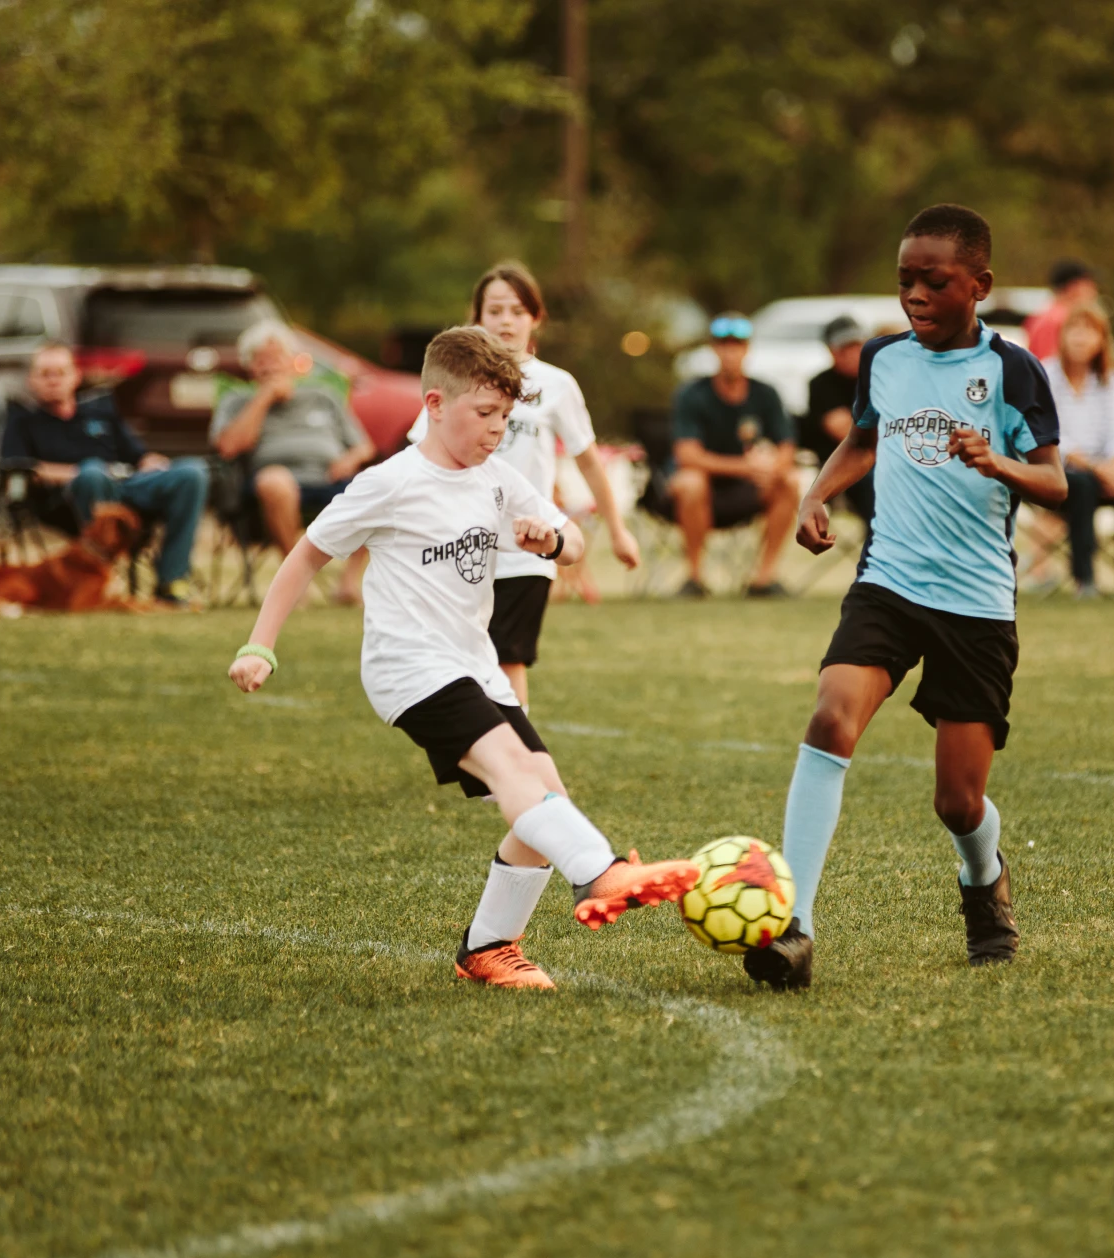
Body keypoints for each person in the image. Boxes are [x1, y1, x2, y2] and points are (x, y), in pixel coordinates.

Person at [226, 326, 701, 988]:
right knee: (514, 774)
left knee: (545, 794)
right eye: (484, 415)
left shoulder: (497, 479)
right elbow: (306, 555)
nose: (497, 431)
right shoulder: (389, 483)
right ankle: (600, 870)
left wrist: (551, 543)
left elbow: (572, 543)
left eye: (506, 417)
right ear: (434, 404)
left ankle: (488, 947)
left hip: (473, 664)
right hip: (408, 667)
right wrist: (260, 645)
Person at [748, 204, 1067, 991]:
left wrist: (999, 463)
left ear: (980, 286)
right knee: (830, 716)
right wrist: (815, 494)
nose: (915, 296)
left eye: (935, 281)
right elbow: (863, 439)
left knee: (958, 803)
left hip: (978, 603)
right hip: (889, 580)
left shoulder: (1014, 371)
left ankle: (983, 879)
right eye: (905, 281)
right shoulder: (882, 360)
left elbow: (1056, 481)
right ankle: (796, 927)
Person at [407, 263, 642, 708]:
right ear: (475, 316)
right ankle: (490, 758)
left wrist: (617, 530)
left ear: (537, 318)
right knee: (458, 660)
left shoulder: (556, 385)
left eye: (517, 310)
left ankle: (519, 759)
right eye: (494, 310)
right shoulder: (451, 382)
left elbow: (590, 463)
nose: (506, 320)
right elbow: (420, 458)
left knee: (507, 660)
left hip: (525, 548)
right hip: (458, 545)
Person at [2, 343, 209, 606]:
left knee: (192, 472)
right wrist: (80, 472)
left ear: (76, 376)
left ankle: (173, 582)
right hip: (70, 497)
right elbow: (20, 469)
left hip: (126, 487)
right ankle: (106, 580)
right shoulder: (22, 420)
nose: (53, 380)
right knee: (92, 472)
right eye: (45, 374)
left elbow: (138, 456)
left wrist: (152, 462)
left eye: (60, 372)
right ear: (31, 380)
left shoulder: (101, 411)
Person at [211, 321, 375, 603]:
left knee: (376, 484)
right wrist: (264, 398)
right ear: (250, 367)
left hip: (330, 479)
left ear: (292, 362)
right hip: (274, 486)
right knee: (275, 481)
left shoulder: (323, 396)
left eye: (277, 358)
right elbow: (228, 447)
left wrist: (350, 459)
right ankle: (298, 579)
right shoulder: (238, 400)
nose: (271, 366)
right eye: (262, 360)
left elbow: (364, 446)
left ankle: (347, 584)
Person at [660, 313, 798, 598]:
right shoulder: (692, 394)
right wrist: (745, 468)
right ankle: (695, 578)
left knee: (790, 480)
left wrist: (770, 467)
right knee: (690, 481)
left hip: (748, 490)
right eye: (724, 345)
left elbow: (787, 446)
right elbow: (687, 455)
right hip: (702, 492)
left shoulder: (766, 393)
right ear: (714, 349)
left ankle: (764, 578)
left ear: (747, 349)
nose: (730, 352)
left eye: (737, 345)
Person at [1042, 299, 1114, 597]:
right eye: (1074, 329)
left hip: (1103, 469)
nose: (1081, 337)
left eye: (1090, 331)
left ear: (1102, 340)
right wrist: (1098, 469)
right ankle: (1084, 579)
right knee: (1082, 484)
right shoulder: (1045, 374)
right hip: (1059, 470)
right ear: (1062, 335)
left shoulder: (1110, 380)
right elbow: (1053, 436)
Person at [800, 315, 875, 522]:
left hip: (883, 459)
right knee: (876, 480)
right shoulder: (822, 384)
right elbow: (846, 432)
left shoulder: (880, 377)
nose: (853, 353)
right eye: (845, 347)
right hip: (841, 467)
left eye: (857, 345)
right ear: (831, 351)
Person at [1024, 260, 1098, 361]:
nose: (1094, 291)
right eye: (1088, 284)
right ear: (1074, 287)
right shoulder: (1061, 319)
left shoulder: (1040, 315)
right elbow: (1048, 364)